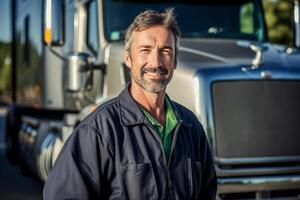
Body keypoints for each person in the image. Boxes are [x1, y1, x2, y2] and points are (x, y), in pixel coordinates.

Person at [43, 8, 217, 200]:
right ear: (128, 59)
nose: (156, 62)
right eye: (145, 50)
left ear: (174, 61)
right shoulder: (99, 129)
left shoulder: (190, 126)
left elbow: (206, 191)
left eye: (165, 51)